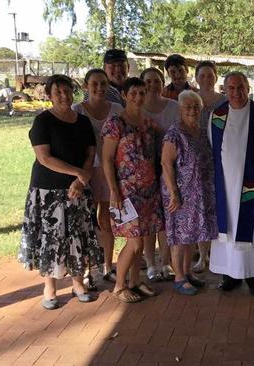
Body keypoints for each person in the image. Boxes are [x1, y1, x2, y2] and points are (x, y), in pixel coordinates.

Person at [19, 74, 103, 310]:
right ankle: (50, 287)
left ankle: (78, 283)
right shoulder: (43, 121)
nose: (64, 96)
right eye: (58, 92)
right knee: (51, 239)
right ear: (49, 95)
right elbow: (44, 158)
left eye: (67, 91)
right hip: (49, 190)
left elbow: (90, 152)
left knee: (77, 235)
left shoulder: (83, 122)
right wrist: (78, 173)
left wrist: (81, 179)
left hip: (78, 189)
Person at [208, 71, 254, 297]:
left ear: (248, 88)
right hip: (226, 185)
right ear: (225, 90)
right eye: (231, 88)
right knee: (228, 230)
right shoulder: (217, 115)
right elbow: (212, 146)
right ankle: (229, 275)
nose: (236, 92)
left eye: (240, 87)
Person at [102, 77, 164, 303]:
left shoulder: (148, 124)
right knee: (134, 242)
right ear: (124, 96)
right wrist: (114, 191)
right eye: (134, 93)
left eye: (142, 93)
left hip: (148, 192)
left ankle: (135, 281)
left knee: (144, 237)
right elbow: (107, 159)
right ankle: (119, 286)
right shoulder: (115, 124)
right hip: (125, 194)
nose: (138, 97)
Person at [161, 90, 217, 296]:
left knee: (191, 235)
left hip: (199, 193)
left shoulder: (202, 132)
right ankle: (179, 278)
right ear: (180, 109)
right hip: (180, 195)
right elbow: (166, 163)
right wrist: (174, 193)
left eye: (196, 107)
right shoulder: (174, 133)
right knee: (180, 237)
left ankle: (186, 272)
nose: (192, 110)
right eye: (188, 107)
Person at [72, 69, 124, 289]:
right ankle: (86, 270)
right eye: (94, 84)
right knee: (86, 221)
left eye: (103, 84)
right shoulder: (77, 110)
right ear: (86, 86)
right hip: (87, 171)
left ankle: (107, 266)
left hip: (111, 170)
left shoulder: (117, 109)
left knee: (107, 221)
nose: (99, 88)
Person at [140, 67, 180, 281]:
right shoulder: (137, 108)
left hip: (170, 168)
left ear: (162, 82)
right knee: (148, 219)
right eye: (148, 81)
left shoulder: (174, 107)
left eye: (156, 81)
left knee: (166, 217)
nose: (152, 85)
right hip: (143, 170)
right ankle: (150, 263)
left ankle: (165, 262)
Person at [192, 60, 227, 273]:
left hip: (221, 159)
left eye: (210, 75)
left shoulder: (224, 101)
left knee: (220, 207)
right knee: (201, 208)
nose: (206, 79)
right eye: (202, 75)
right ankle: (202, 256)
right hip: (197, 160)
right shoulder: (190, 100)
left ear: (216, 77)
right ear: (196, 77)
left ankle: (220, 254)